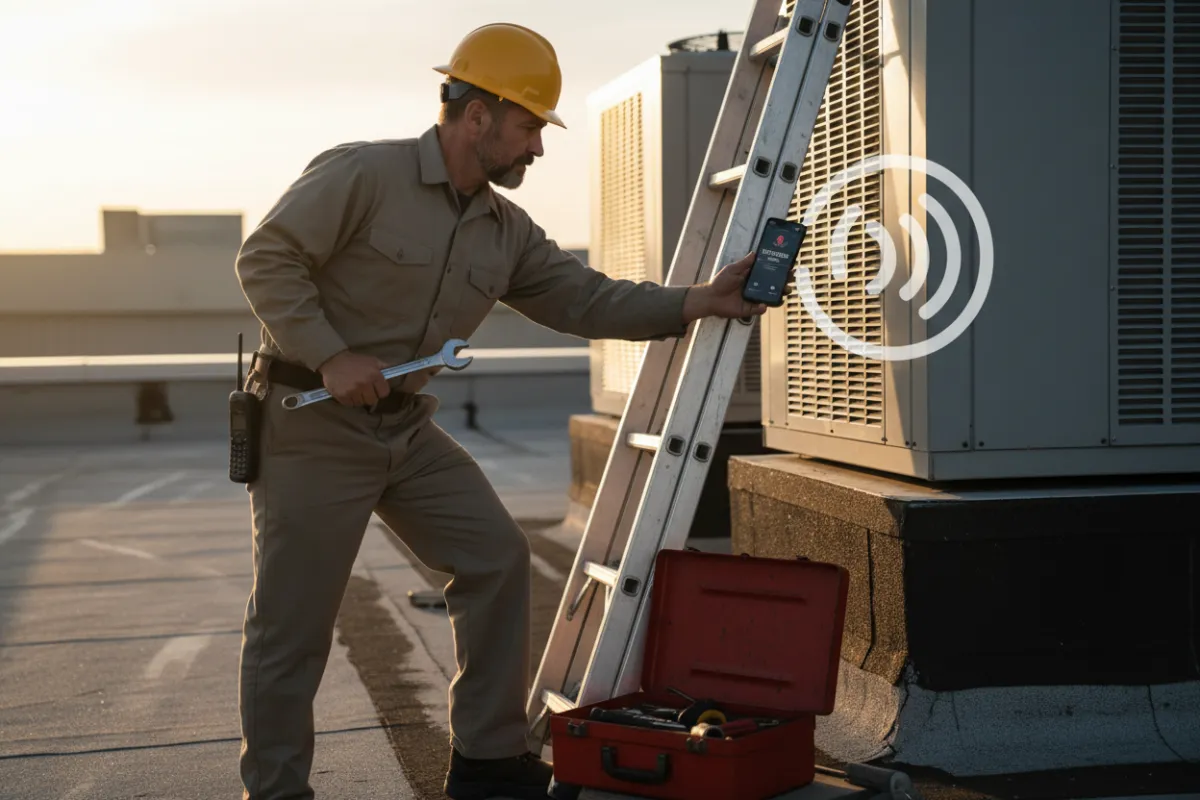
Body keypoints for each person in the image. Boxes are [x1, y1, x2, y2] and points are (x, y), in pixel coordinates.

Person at [233, 21, 777, 800]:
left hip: (405, 427)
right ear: (478, 114)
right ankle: (277, 791)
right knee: (292, 626)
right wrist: (330, 352)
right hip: (310, 423)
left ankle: (487, 763)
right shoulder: (362, 174)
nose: (537, 148)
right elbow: (266, 257)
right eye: (529, 127)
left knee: (495, 558)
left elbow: (582, 297)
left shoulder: (504, 229)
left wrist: (698, 301)